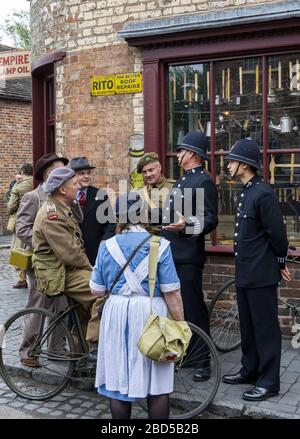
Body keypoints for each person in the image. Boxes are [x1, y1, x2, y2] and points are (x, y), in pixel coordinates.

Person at [90, 192, 184, 419]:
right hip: (151, 312)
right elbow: (172, 292)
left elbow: (96, 290)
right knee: (158, 384)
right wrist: (181, 324)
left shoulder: (107, 246)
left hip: (117, 311)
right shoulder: (160, 245)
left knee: (118, 381)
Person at [222, 138, 291, 401]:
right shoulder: (246, 191)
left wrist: (281, 261)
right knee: (248, 326)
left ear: (245, 164)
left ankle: (269, 381)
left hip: (261, 273)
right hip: (246, 272)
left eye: (232, 161)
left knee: (265, 329)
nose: (228, 165)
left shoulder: (263, 193)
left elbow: (278, 234)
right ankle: (250, 370)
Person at [32, 167, 105, 361]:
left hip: (68, 269)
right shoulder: (51, 215)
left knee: (83, 313)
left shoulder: (63, 207)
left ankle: (79, 361)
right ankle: (95, 347)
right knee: (102, 292)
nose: (79, 186)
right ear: (62, 190)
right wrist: (94, 271)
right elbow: (70, 254)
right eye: (74, 184)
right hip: (60, 272)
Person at [162, 131, 218, 382]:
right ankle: (188, 354)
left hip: (188, 255)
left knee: (194, 309)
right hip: (172, 252)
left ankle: (203, 361)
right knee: (178, 310)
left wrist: (187, 225)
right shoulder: (182, 180)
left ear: (192, 154)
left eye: (181, 151)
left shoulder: (204, 181)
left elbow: (210, 218)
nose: (178, 155)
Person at [16, 153, 70, 367]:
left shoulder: (62, 197)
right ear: (48, 173)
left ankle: (57, 349)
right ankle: (27, 350)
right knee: (38, 305)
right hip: (40, 262)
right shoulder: (33, 197)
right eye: (60, 170)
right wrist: (44, 245)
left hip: (61, 263)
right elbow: (21, 228)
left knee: (62, 306)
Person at [69, 156, 114, 265]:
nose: (86, 176)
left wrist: (104, 243)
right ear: (73, 176)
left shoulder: (100, 195)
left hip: (95, 255)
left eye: (88, 173)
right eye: (82, 173)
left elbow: (110, 223)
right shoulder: (67, 196)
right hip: (72, 254)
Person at [7, 163, 33, 289]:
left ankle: (22, 279)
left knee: (20, 250)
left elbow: (11, 206)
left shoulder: (18, 186)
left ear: (23, 172)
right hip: (36, 220)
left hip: (21, 221)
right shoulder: (37, 183)